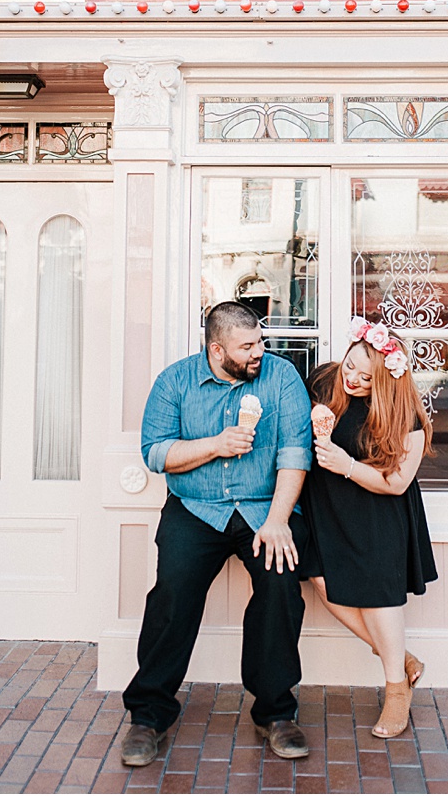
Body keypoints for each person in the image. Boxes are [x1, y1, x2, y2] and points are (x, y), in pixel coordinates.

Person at [119, 302, 314, 767]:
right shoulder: (175, 382)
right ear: (216, 349)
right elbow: (156, 454)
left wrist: (279, 520)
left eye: (260, 342)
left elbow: (294, 453)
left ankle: (275, 711)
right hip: (195, 508)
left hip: (265, 508)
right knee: (173, 593)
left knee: (281, 584)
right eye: (248, 346)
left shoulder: (281, 378)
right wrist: (216, 445)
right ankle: (148, 715)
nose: (259, 352)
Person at [298, 315, 439, 739]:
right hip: (326, 507)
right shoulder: (324, 383)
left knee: (379, 597)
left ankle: (397, 687)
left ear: (387, 380)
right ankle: (402, 658)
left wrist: (347, 465)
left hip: (377, 510)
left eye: (366, 376)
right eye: (350, 367)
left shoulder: (406, 414)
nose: (354, 379)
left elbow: (397, 484)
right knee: (323, 583)